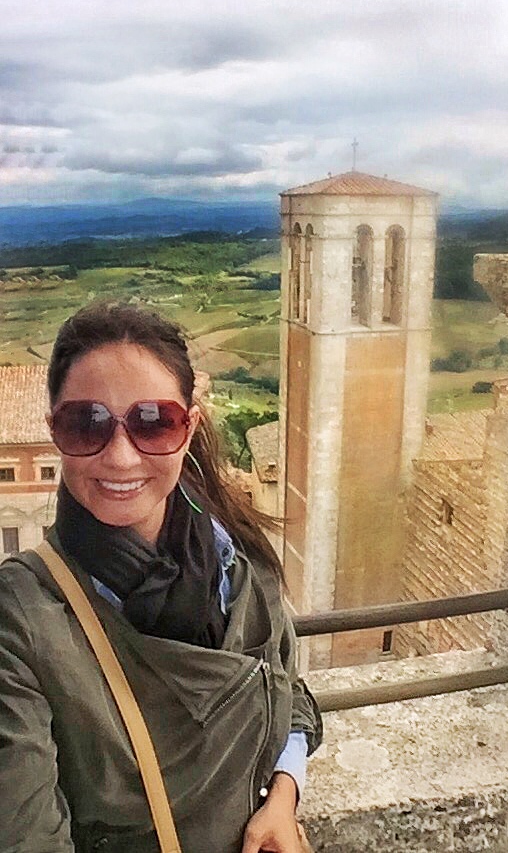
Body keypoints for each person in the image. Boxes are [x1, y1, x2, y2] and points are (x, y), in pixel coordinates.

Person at [0, 301, 321, 853]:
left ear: (189, 427)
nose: (121, 458)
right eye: (86, 424)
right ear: (54, 429)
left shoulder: (237, 559)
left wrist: (282, 798)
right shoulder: (21, 616)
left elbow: (287, 691)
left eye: (153, 422)